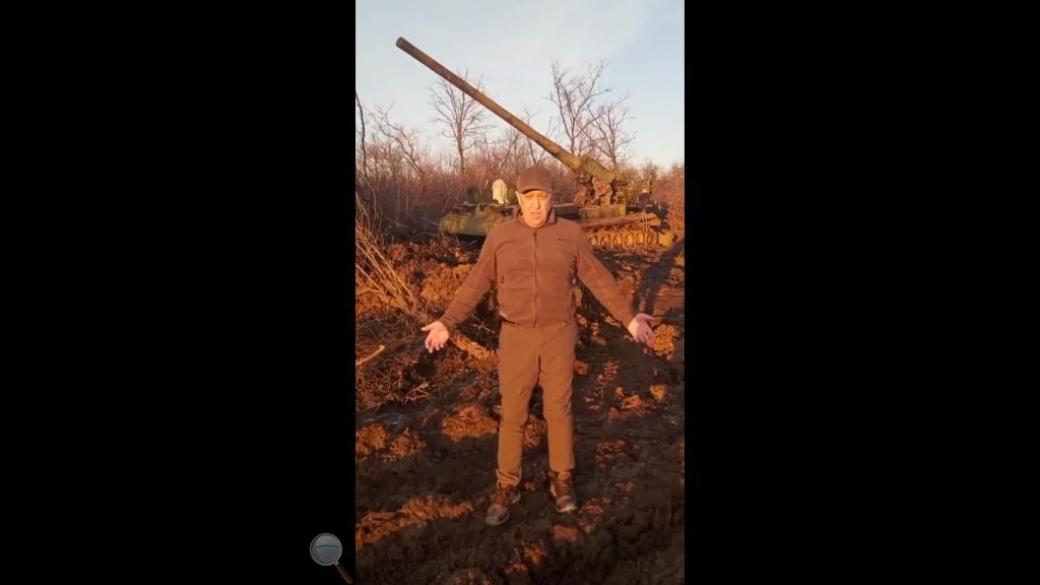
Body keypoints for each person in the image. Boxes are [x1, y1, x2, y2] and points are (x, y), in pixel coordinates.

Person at [421, 166, 657, 526]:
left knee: (558, 409)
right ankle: (507, 485)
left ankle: (561, 479)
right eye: (528, 197)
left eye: (542, 197)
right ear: (517, 199)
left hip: (559, 334)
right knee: (513, 414)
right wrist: (447, 321)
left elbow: (598, 279)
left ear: (551, 199)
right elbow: (475, 283)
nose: (535, 205)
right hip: (516, 336)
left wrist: (629, 318)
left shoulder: (570, 234)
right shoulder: (500, 237)